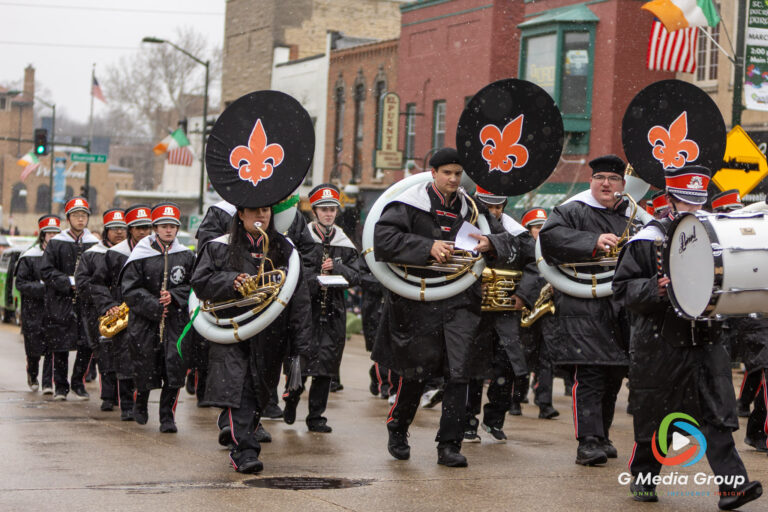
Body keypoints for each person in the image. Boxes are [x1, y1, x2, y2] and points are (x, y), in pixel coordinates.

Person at [613, 166, 763, 509]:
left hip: (707, 341)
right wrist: (655, 288)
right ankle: (644, 478)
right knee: (657, 419)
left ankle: (732, 487)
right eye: (685, 201)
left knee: (717, 416)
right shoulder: (648, 237)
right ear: (670, 199)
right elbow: (621, 291)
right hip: (659, 344)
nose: (693, 209)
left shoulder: (715, 234)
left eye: (697, 201)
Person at [372, 148, 517, 467]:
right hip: (418, 302)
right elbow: (382, 241)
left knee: (459, 373)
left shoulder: (474, 208)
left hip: (461, 302)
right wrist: (427, 247)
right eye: (447, 172)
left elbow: (511, 243)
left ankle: (448, 445)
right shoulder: (407, 204)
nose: (453, 179)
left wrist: (491, 244)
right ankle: (398, 427)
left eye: (457, 173)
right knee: (414, 374)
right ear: (433, 172)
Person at [192, 204, 314, 473]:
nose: (261, 215)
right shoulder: (219, 246)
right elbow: (200, 283)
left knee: (259, 393)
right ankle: (244, 450)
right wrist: (232, 281)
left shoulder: (285, 249)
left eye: (266, 210)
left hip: (271, 335)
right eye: (254, 211)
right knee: (239, 390)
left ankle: (242, 435)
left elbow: (299, 299)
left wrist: (302, 344)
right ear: (240, 215)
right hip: (232, 332)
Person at [539, 155, 637, 466]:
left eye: (613, 179)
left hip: (619, 309)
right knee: (591, 373)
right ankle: (588, 441)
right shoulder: (570, 211)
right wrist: (593, 241)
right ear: (591, 181)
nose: (606, 183)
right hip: (584, 307)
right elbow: (550, 238)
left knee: (613, 375)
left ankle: (602, 435)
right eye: (600, 178)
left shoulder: (633, 216)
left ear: (622, 185)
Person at [283, 183, 360, 433]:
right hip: (306, 312)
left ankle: (316, 416)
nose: (329, 214)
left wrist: (336, 269)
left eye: (332, 210)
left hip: (333, 312)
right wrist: (316, 277)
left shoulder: (344, 241)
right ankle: (292, 399)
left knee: (326, 365)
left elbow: (358, 275)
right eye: (324, 209)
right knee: (300, 361)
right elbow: (291, 273)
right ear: (314, 211)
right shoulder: (302, 238)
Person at [464, 187, 538, 443]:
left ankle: (495, 420)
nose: (494, 212)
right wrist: (474, 286)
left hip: (506, 312)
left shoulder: (519, 232)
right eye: (488, 207)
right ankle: (468, 421)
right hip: (474, 311)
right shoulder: (465, 229)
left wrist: (523, 294)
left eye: (498, 207)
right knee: (470, 369)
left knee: (508, 366)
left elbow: (535, 265)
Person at [120, 203, 194, 432]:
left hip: (174, 322)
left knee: (174, 369)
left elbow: (193, 286)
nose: (169, 230)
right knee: (144, 365)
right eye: (164, 226)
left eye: (173, 226)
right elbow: (130, 289)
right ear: (155, 228)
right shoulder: (141, 255)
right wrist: (153, 304)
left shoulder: (185, 255)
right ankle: (140, 403)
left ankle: (167, 417)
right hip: (145, 322)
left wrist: (174, 296)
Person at [94, 205, 152, 421]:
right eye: (138, 228)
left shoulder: (159, 252)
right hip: (124, 315)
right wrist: (108, 304)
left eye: (147, 227)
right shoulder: (115, 254)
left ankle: (142, 405)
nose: (143, 232)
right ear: (130, 229)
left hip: (148, 315)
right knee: (125, 362)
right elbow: (98, 283)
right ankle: (127, 405)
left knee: (147, 362)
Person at [40, 197, 99, 400]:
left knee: (87, 344)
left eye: (83, 215)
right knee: (61, 346)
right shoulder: (56, 243)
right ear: (68, 218)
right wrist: (67, 281)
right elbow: (46, 270)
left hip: (86, 302)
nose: (80, 219)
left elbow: (100, 273)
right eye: (76, 215)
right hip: (61, 301)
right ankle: (61, 386)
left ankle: (78, 382)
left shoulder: (94, 243)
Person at [75, 209, 127, 412]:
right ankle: (108, 395)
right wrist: (105, 301)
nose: (119, 233)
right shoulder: (92, 254)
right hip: (97, 312)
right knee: (104, 353)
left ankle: (122, 397)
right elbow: (83, 283)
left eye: (122, 228)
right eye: (114, 229)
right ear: (106, 230)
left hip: (126, 311)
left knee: (124, 353)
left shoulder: (132, 253)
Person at [519, 207, 561, 420]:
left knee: (547, 358)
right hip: (527, 310)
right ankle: (516, 398)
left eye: (543, 227)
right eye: (536, 227)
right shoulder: (523, 248)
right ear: (528, 230)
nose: (540, 231)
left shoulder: (553, 248)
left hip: (548, 311)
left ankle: (545, 403)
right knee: (524, 355)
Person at [15, 215, 61, 393]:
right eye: (49, 233)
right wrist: (42, 288)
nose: (52, 237)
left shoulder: (61, 256)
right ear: (43, 235)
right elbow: (21, 283)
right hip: (33, 311)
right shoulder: (29, 256)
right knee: (34, 350)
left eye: (56, 233)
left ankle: (48, 383)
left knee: (52, 348)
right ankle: (32, 373)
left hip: (54, 310)